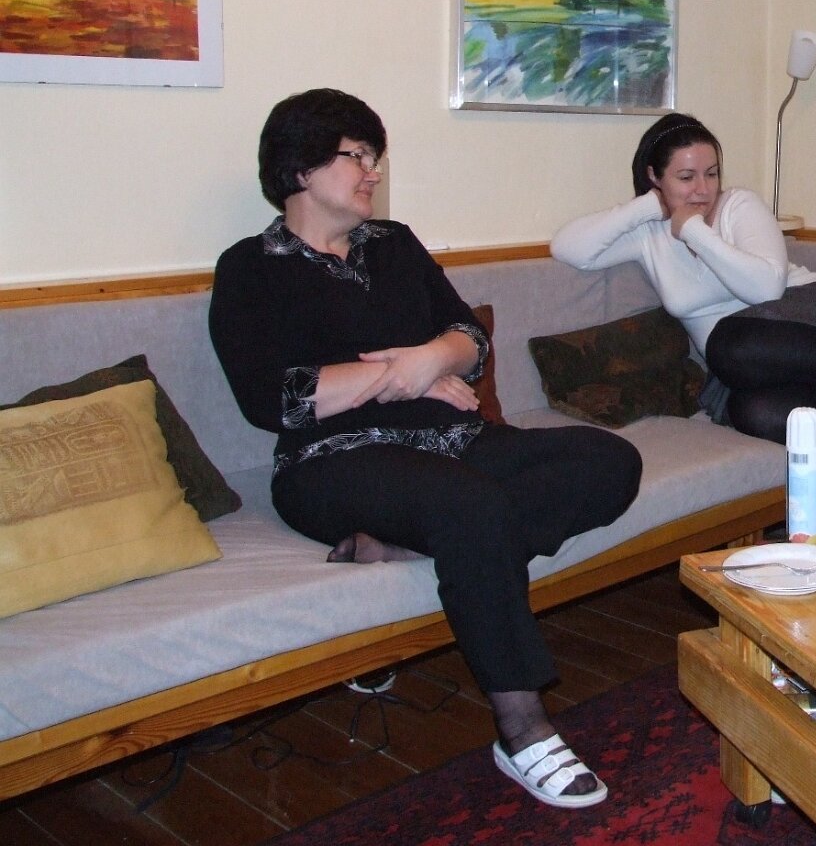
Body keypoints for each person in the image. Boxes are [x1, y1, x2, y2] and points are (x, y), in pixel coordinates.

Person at [209, 89, 641, 809]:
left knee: (608, 462)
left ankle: (403, 546)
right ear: (300, 169)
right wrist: (399, 376)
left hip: (450, 439)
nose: (373, 171)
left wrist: (431, 359)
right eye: (356, 155)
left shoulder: (395, 244)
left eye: (374, 156)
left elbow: (468, 339)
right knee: (469, 505)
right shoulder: (249, 267)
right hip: (332, 462)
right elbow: (272, 399)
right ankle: (523, 727)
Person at [551, 112, 816, 443]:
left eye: (712, 173)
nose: (703, 189)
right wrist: (644, 208)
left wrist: (694, 230)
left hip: (811, 321)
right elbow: (569, 248)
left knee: (730, 342)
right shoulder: (648, 234)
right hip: (742, 368)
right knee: (756, 414)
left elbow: (765, 288)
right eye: (686, 177)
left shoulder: (739, 207)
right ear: (654, 178)